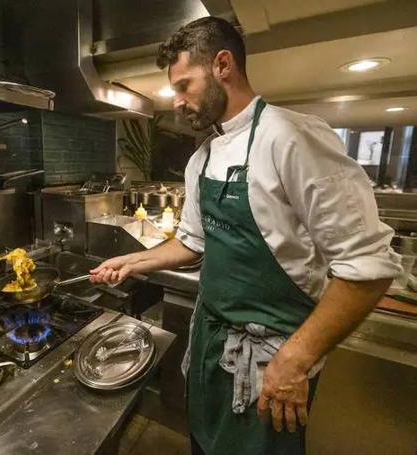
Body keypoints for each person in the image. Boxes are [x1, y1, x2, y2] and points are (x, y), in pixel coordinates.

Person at [90, 16, 402, 455]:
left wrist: (296, 360)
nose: (176, 102)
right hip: (211, 347)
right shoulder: (203, 158)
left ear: (223, 65)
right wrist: (131, 262)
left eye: (183, 86)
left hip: (272, 358)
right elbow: (191, 242)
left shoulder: (291, 138)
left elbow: (368, 269)